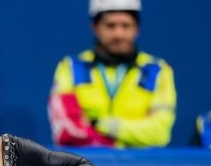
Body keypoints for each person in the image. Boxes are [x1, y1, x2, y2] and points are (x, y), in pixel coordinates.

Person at [48, 0, 175, 148]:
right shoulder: (70, 67)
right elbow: (66, 130)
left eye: (126, 26)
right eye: (110, 26)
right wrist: (122, 139)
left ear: (137, 29)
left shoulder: (158, 70)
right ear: (95, 28)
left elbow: (160, 133)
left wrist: (102, 125)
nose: (119, 34)